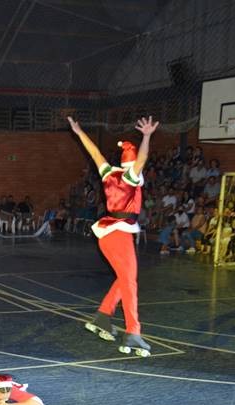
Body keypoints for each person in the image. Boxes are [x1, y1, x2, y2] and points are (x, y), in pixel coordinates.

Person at [69, 115, 158, 357]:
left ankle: (103, 316)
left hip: (107, 233)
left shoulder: (109, 174)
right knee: (130, 283)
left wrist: (79, 132)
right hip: (119, 232)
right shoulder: (131, 178)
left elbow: (95, 152)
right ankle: (133, 332)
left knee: (124, 278)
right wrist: (147, 136)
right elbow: (143, 158)